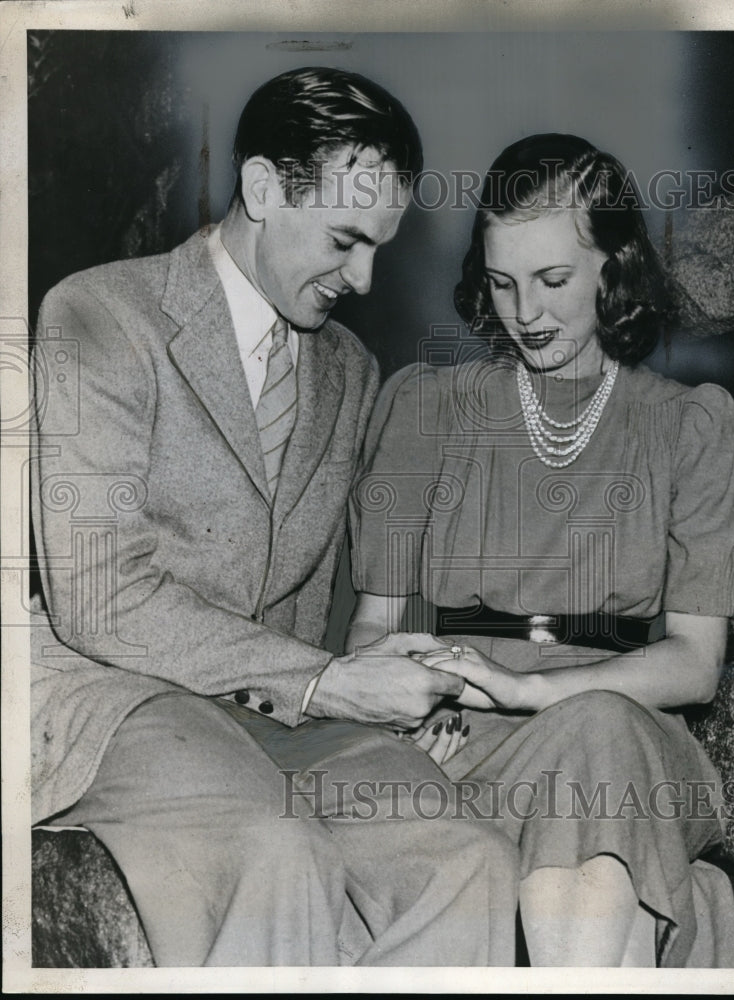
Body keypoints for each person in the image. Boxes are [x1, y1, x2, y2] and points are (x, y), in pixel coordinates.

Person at [29, 67, 519, 967]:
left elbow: (299, 600)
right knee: (276, 848)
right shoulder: (97, 314)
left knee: (466, 857)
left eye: (379, 245)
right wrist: (326, 682)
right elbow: (95, 596)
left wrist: (374, 690)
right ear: (261, 187)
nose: (365, 278)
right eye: (343, 239)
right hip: (107, 694)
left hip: (264, 711)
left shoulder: (348, 370)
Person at [348, 133, 734, 967]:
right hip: (462, 737)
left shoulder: (692, 426)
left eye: (553, 280)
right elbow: (372, 630)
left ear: (616, 266)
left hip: (630, 735)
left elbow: (694, 663)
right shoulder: (425, 407)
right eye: (501, 283)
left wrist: (532, 693)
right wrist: (401, 715)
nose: (524, 312)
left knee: (596, 728)